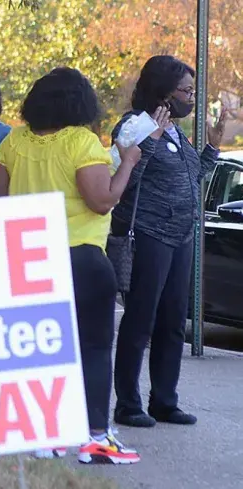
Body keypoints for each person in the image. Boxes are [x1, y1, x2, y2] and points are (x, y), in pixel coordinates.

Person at [0, 67, 142, 464]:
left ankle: (48, 435)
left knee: (43, 349)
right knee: (93, 348)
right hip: (82, 255)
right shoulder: (82, 142)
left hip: (31, 258)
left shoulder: (13, 140)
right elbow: (102, 200)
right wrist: (127, 163)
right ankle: (96, 438)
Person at [113, 56, 227, 429]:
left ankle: (164, 401)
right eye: (186, 91)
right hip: (150, 235)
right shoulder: (133, 126)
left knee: (174, 320)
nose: (191, 98)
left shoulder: (175, 130)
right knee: (140, 318)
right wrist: (150, 142)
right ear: (163, 91)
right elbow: (125, 181)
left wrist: (212, 148)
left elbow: (192, 177)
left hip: (181, 236)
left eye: (192, 92)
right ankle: (128, 404)